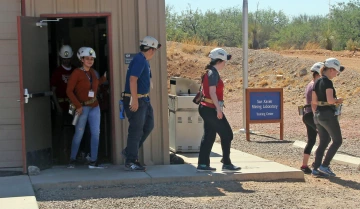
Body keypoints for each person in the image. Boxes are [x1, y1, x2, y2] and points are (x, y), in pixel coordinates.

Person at [196, 48, 241, 172]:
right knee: (227, 134)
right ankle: (226, 162)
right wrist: (218, 110)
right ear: (219, 60)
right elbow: (212, 92)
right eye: (224, 61)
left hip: (206, 107)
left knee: (209, 136)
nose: (225, 64)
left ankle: (203, 164)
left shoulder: (210, 71)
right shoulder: (213, 73)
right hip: (210, 108)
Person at [121, 36, 161, 171]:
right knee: (136, 130)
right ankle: (131, 160)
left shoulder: (143, 60)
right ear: (150, 49)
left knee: (149, 125)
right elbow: (133, 80)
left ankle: (129, 152)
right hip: (137, 99)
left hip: (144, 99)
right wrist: (135, 99)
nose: (154, 53)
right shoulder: (139, 60)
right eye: (154, 50)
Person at [66, 47, 107, 169]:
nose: (90, 61)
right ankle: (72, 159)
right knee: (79, 133)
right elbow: (69, 91)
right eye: (87, 58)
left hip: (94, 106)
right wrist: (78, 106)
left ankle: (93, 160)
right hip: (82, 108)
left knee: (96, 133)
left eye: (92, 59)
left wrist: (104, 78)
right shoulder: (76, 73)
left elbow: (95, 84)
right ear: (81, 59)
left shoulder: (93, 73)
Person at [311, 58, 344, 177]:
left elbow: (314, 101)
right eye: (336, 71)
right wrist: (337, 100)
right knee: (337, 140)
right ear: (331, 70)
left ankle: (316, 168)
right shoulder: (328, 82)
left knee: (324, 141)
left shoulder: (317, 82)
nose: (336, 74)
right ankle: (324, 166)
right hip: (327, 114)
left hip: (318, 114)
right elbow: (330, 100)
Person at [50, 45, 75, 161]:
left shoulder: (75, 70)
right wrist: (58, 106)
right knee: (58, 129)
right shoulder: (57, 72)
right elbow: (53, 91)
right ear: (61, 58)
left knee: (73, 128)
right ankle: (56, 155)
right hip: (61, 105)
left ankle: (72, 153)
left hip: (72, 105)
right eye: (64, 58)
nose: (66, 60)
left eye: (68, 58)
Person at [300, 62, 323, 174]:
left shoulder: (310, 84)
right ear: (318, 74)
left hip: (307, 114)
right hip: (312, 115)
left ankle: (305, 165)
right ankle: (317, 165)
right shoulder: (315, 85)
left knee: (312, 140)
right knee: (324, 138)